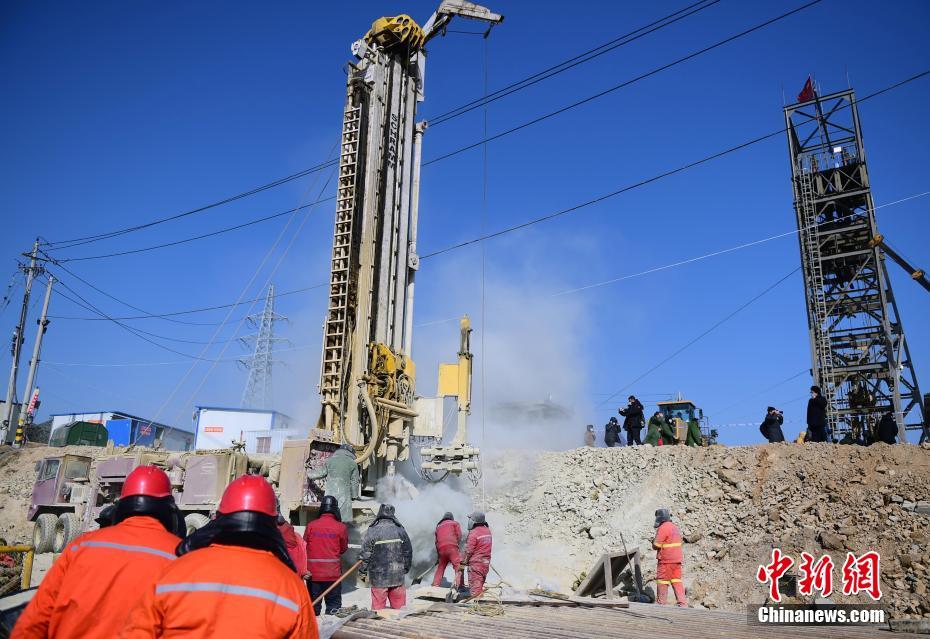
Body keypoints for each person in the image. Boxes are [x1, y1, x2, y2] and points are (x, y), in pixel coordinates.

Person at [121, 475, 316, 639]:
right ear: (273, 522)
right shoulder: (292, 588)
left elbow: (138, 632)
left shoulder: (175, 571)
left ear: (220, 516)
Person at [13, 466, 183, 639]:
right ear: (169, 512)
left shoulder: (80, 546)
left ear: (121, 507)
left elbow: (36, 618)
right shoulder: (181, 559)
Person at [359, 504, 412, 611]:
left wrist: (362, 571)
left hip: (378, 578)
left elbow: (365, 554)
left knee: (377, 612)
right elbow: (408, 551)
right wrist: (405, 568)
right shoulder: (400, 529)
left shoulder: (372, 530)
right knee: (400, 611)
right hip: (397, 575)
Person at [303, 495, 348, 616]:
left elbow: (304, 546)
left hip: (313, 575)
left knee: (312, 611)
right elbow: (343, 549)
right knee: (333, 610)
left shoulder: (311, 526)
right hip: (332, 575)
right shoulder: (341, 527)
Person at [307, 444, 359, 523]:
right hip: (344, 496)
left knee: (329, 517)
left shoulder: (329, 460)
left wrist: (309, 474)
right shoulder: (353, 463)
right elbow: (354, 481)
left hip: (330, 495)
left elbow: (320, 473)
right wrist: (354, 496)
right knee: (344, 520)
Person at [652, 508, 687, 608]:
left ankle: (661, 604)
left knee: (662, 580)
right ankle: (683, 603)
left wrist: (652, 543)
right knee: (676, 580)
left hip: (666, 560)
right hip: (677, 560)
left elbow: (656, 545)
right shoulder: (674, 527)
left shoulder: (663, 528)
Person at [459, 511, 493, 598]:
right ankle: (480, 603)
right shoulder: (487, 531)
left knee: (475, 590)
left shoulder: (474, 533)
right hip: (485, 564)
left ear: (475, 521)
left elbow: (469, 550)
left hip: (476, 565)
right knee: (479, 586)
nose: (469, 521)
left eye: (470, 519)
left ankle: (478, 607)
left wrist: (464, 561)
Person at [431, 512, 462, 587]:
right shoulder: (455, 523)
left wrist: (439, 556)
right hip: (452, 547)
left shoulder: (438, 526)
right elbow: (459, 535)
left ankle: (435, 584)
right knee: (458, 566)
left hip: (441, 548)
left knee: (441, 567)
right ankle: (459, 585)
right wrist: (457, 544)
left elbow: (436, 542)